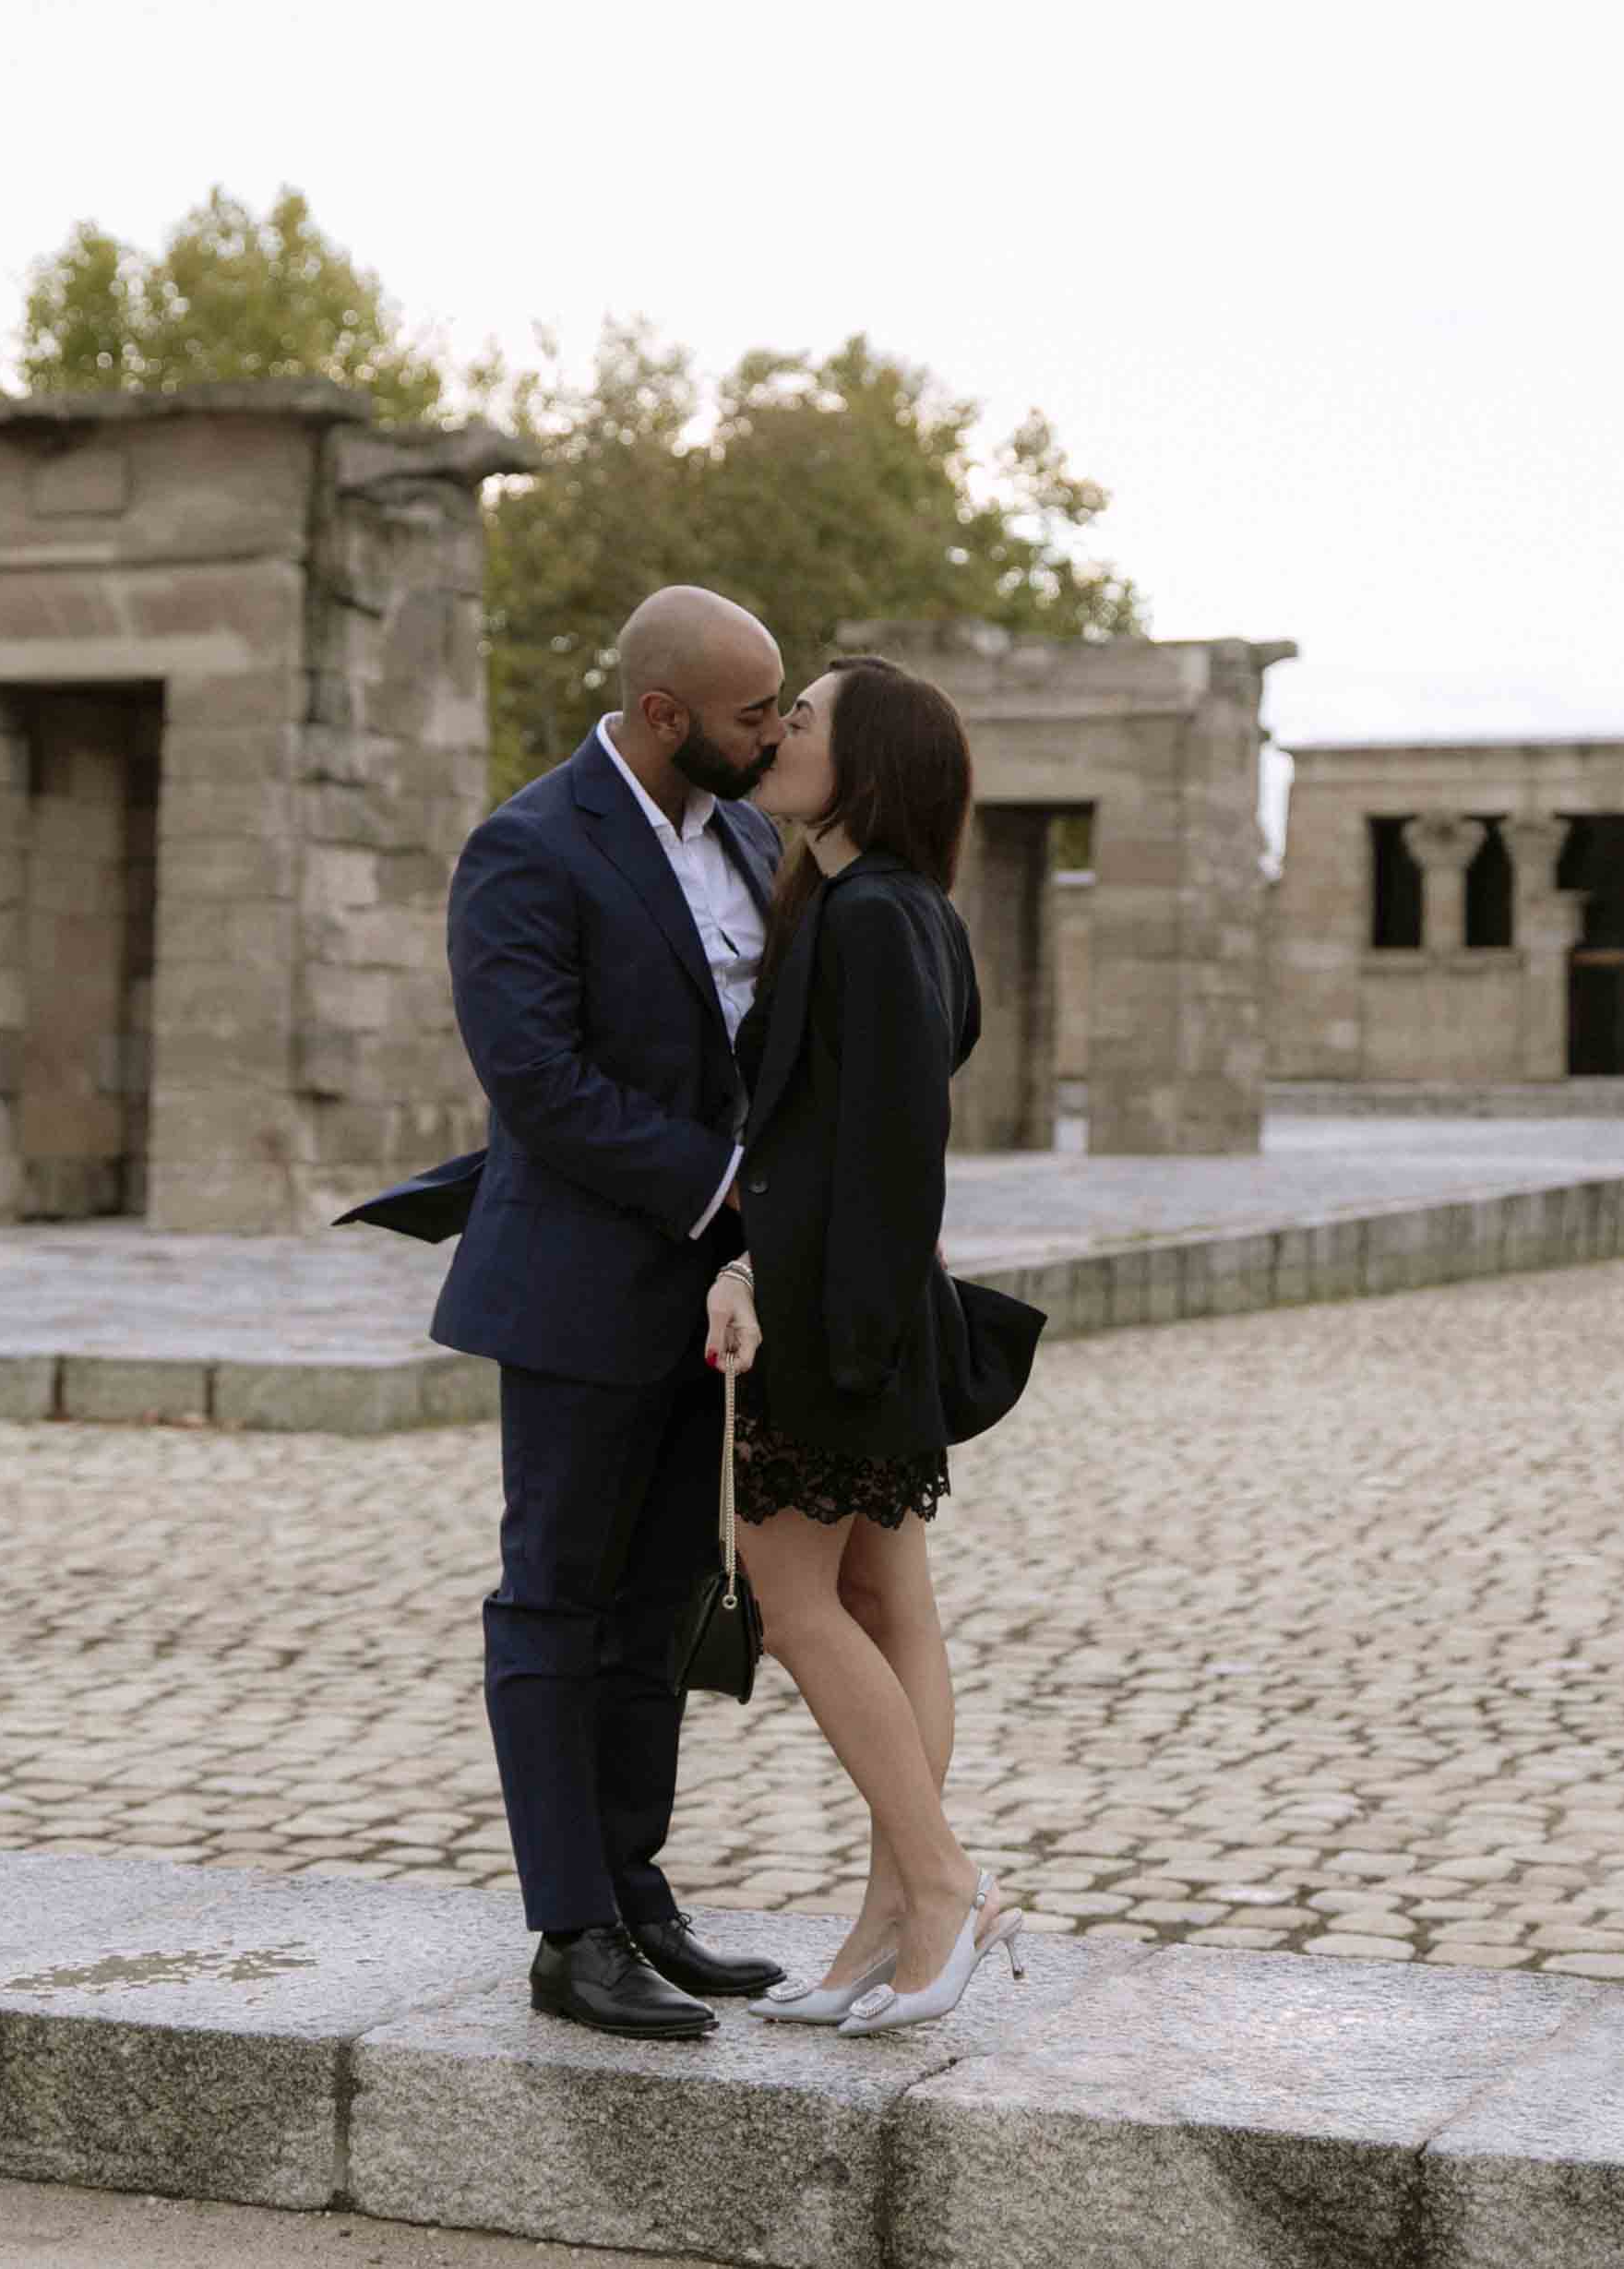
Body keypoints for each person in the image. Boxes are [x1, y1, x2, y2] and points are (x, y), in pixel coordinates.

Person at [388, 586, 796, 2039]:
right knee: (554, 1602)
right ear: (667, 713)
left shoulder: (753, 837)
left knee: (658, 1604)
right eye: (756, 712)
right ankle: (568, 1928)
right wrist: (734, 1184)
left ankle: (638, 1890)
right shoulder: (527, 845)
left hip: (719, 1306)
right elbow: (538, 1081)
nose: (778, 730)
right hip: (579, 1292)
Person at [705, 654, 1044, 2038]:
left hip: (842, 1315)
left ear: (875, 760)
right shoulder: (866, 907)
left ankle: (945, 1881)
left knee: (791, 1603)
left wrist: (784, 1298)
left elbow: (892, 1151)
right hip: (864, 1303)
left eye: (809, 718)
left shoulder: (875, 919)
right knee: (889, 1601)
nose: (781, 733)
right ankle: (885, 1916)